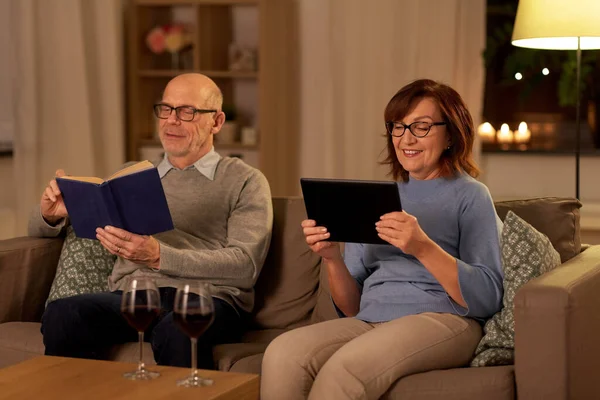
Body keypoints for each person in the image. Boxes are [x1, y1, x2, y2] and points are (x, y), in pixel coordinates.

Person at [261, 79, 504, 399]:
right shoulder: (376, 199)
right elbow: (351, 307)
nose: (406, 138)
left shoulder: (471, 196)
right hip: (370, 319)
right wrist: (332, 258)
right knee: (283, 353)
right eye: (398, 127)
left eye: (421, 126)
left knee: (344, 369)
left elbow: (487, 297)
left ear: (451, 134)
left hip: (444, 319)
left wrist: (422, 247)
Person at [30, 73, 273, 368]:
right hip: (133, 295)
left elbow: (245, 266)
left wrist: (158, 256)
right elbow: (39, 232)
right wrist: (49, 214)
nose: (172, 121)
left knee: (177, 329)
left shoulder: (245, 180)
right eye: (166, 109)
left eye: (187, 112)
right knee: (63, 313)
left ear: (217, 122)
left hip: (207, 298)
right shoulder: (132, 175)